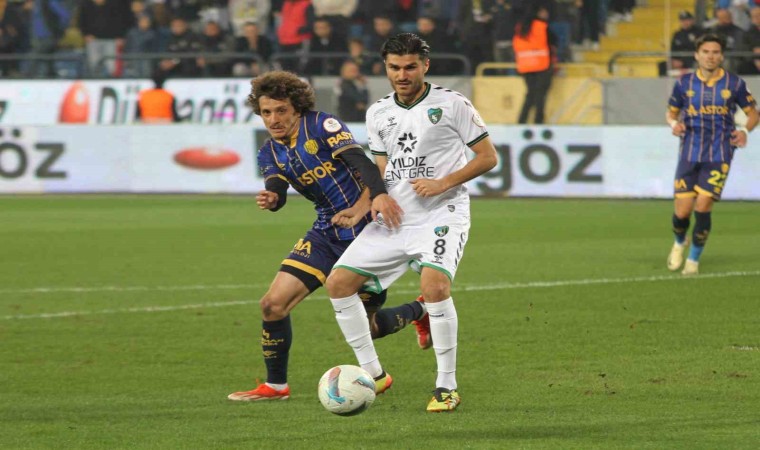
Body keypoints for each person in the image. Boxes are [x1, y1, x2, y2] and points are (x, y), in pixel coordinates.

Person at [227, 71, 430, 402]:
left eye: (281, 110)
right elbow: (277, 188)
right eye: (266, 112)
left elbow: (363, 164)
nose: (274, 119)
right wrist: (272, 198)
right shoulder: (269, 152)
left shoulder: (322, 125)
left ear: (297, 108)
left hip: (370, 232)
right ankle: (276, 386)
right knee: (272, 305)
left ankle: (418, 311)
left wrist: (375, 199)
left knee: (367, 329)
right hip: (327, 232)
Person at [324, 33, 498, 412]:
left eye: (410, 67)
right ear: (385, 68)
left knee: (435, 288)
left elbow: (488, 157)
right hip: (395, 216)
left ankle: (446, 387)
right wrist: (368, 202)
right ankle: (374, 374)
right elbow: (382, 169)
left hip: (441, 213)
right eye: (394, 68)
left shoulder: (452, 104)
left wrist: (443, 183)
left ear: (425, 66)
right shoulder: (378, 112)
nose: (402, 75)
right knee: (337, 283)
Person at [665, 33, 758, 275]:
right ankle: (679, 242)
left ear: (722, 56)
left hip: (720, 153)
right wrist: (674, 124)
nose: (710, 56)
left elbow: (753, 113)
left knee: (703, 206)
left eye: (715, 52)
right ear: (697, 55)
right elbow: (671, 113)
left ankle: (693, 260)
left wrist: (744, 131)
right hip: (689, 152)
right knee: (682, 212)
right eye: (706, 52)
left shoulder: (734, 84)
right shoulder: (684, 83)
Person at [513, 4, 556, 124]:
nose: (546, 13)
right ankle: (538, 121)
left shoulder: (520, 27)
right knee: (540, 95)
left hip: (526, 65)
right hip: (542, 65)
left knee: (530, 94)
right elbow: (553, 42)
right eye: (543, 11)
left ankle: (521, 121)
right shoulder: (542, 26)